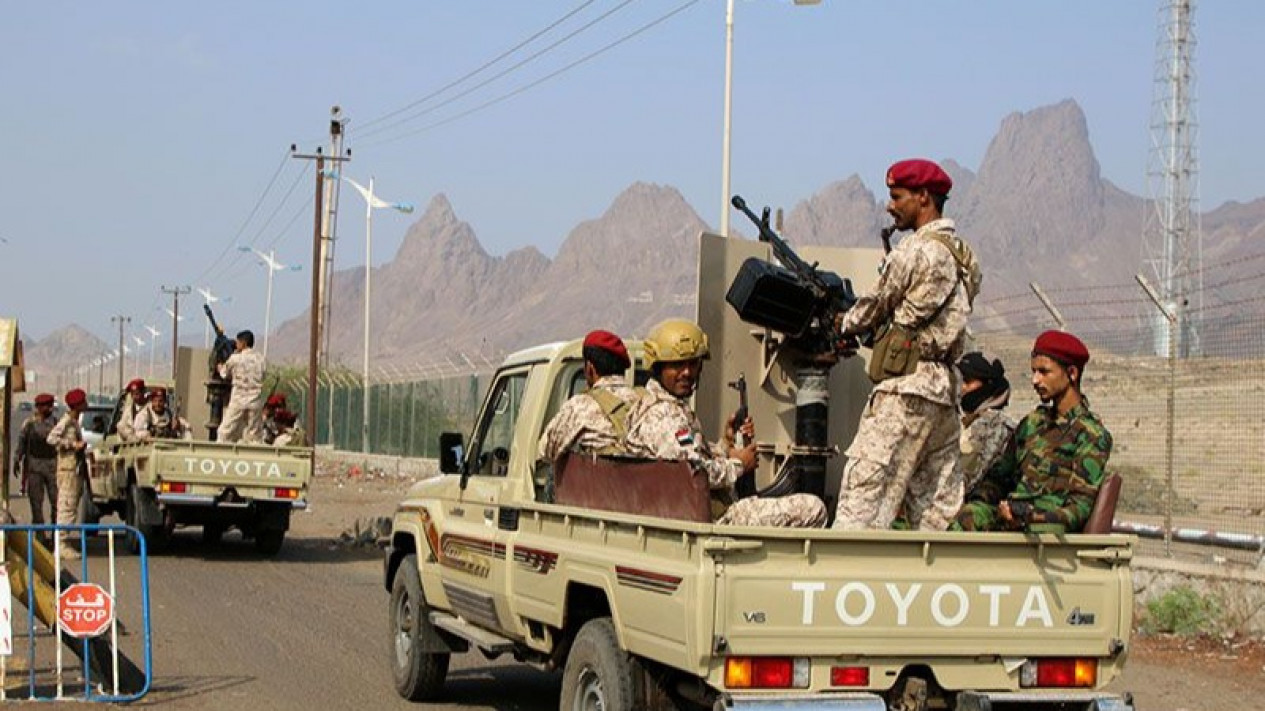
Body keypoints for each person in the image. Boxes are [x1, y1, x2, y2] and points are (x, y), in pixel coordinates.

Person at [831, 159, 979, 532]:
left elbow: (875, 304)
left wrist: (844, 323)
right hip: (943, 393)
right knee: (935, 508)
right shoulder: (966, 258)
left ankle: (845, 578)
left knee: (865, 494)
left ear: (923, 197)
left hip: (906, 388)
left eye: (897, 197)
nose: (890, 205)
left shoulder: (915, 251)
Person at [625, 319, 826, 528]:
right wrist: (739, 464)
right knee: (813, 507)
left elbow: (687, 454)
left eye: (692, 364)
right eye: (677, 365)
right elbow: (694, 473)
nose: (686, 372)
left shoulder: (660, 407)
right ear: (658, 368)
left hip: (694, 513)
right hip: (708, 519)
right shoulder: (662, 417)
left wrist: (725, 445)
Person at [952, 331, 1113, 533]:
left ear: (1072, 373)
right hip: (1013, 518)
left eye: (1044, 372)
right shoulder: (1031, 424)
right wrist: (980, 501)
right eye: (1034, 372)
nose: (1035, 380)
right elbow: (999, 478)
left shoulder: (1091, 434)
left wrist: (1030, 517)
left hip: (1046, 530)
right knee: (970, 515)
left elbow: (1078, 509)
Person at [538, 330, 640, 463]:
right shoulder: (644, 403)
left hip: (595, 482)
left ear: (590, 368)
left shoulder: (580, 406)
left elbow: (546, 450)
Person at [956, 352, 1015, 494]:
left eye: (968, 381)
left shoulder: (992, 424)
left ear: (988, 385)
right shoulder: (970, 420)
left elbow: (965, 482)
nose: (962, 387)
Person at [47, 388, 88, 558]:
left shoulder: (75, 422)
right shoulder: (66, 422)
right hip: (67, 470)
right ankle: (61, 545)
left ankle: (63, 542)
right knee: (66, 506)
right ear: (77, 405)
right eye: (83, 401)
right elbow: (51, 438)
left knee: (70, 507)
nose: (86, 404)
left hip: (74, 469)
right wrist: (72, 445)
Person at [14, 393, 59, 525]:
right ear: (38, 407)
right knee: (36, 503)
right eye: (45, 406)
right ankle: (39, 535)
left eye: (50, 405)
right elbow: (22, 442)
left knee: (56, 503)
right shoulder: (29, 424)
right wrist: (17, 459)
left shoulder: (56, 423)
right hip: (34, 467)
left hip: (53, 466)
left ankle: (55, 533)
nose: (48, 408)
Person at [217, 329, 266, 443]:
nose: (236, 344)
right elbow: (263, 375)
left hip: (238, 399)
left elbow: (224, 373)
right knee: (254, 435)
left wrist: (220, 367)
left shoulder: (235, 359)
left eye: (238, 342)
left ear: (243, 343)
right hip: (255, 400)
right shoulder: (261, 359)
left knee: (224, 432)